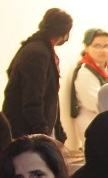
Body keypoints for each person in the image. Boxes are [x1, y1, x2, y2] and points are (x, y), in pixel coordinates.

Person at [3, 8, 72, 143]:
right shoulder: (38, 53)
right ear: (65, 33)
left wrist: (58, 133)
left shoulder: (38, 48)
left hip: (31, 131)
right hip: (26, 135)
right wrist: (44, 137)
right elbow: (32, 100)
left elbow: (49, 98)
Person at [66, 28, 108, 164]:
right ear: (86, 47)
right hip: (94, 123)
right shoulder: (84, 72)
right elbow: (97, 102)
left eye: (106, 46)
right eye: (97, 46)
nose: (102, 50)